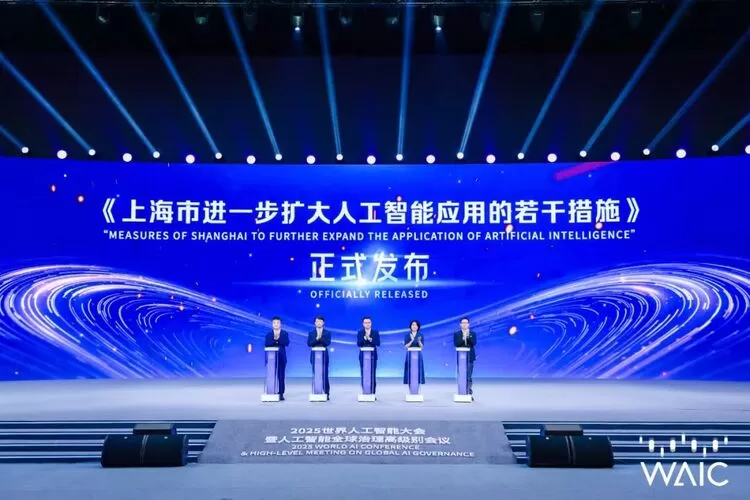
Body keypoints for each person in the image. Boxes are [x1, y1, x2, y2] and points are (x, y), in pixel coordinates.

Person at [264, 316, 290, 400]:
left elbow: (286, 343)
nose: (276, 324)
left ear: (280, 324)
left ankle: (281, 393)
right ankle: (271, 391)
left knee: (281, 375)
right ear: (272, 324)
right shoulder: (269, 334)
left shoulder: (284, 333)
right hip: (271, 358)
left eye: (277, 323)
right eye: (274, 323)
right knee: (271, 375)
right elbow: (267, 343)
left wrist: (276, 340)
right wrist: (277, 341)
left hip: (281, 357)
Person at [307, 315, 331, 399]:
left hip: (324, 356)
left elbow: (327, 343)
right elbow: (309, 343)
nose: (319, 323)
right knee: (316, 374)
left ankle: (326, 393)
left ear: (323, 323)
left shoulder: (327, 333)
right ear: (315, 323)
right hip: (314, 356)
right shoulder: (311, 333)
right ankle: (316, 391)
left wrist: (320, 338)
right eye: (317, 321)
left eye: (320, 321)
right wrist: (317, 338)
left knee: (325, 375)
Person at [453, 316, 477, 397]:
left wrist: (467, 336)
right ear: (460, 324)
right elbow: (457, 344)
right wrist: (463, 337)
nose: (464, 324)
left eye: (466, 323)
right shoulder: (457, 334)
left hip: (470, 357)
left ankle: (468, 392)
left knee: (469, 376)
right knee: (462, 375)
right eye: (463, 323)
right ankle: (462, 391)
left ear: (468, 324)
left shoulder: (472, 333)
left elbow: (473, 343)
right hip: (461, 358)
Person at [356, 316, 381, 392]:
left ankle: (373, 392)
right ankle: (365, 391)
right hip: (363, 356)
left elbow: (378, 343)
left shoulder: (375, 332)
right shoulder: (360, 332)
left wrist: (370, 339)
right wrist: (364, 339)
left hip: (373, 356)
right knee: (363, 373)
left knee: (372, 374)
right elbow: (358, 344)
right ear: (363, 324)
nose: (367, 324)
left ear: (371, 323)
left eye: (369, 322)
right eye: (365, 322)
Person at [403, 319, 425, 386]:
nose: (414, 326)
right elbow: (406, 347)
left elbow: (422, 347)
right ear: (410, 326)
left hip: (418, 355)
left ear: (418, 327)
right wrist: (411, 341)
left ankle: (418, 384)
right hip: (409, 355)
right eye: (413, 325)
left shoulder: (421, 335)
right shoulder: (407, 335)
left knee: (418, 369)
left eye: (416, 325)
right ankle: (409, 383)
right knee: (409, 369)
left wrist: (419, 341)